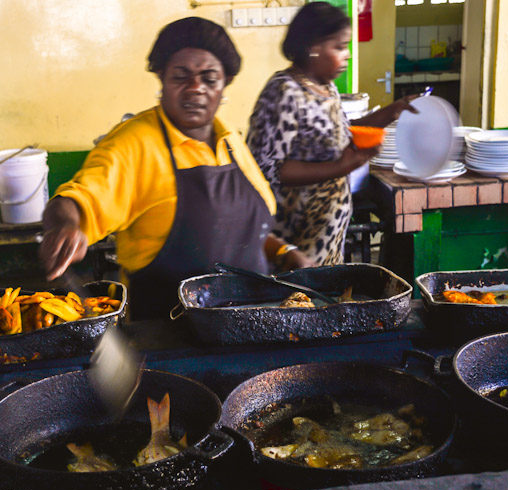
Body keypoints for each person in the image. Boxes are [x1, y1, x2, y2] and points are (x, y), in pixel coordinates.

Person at [39, 17, 312, 320]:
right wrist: (65, 226)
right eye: (181, 76)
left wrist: (282, 252)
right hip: (169, 339)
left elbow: (239, 233)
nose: (196, 88)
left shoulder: (231, 141)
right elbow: (76, 202)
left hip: (253, 323)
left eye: (209, 78)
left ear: (224, 86)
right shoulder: (133, 144)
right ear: (161, 78)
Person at [246, 2, 417, 265]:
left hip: (325, 233)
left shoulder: (326, 87)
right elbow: (267, 169)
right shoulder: (284, 92)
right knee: (297, 302)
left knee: (324, 299)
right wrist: (339, 167)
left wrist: (392, 112)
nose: (347, 54)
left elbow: (341, 131)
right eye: (339, 47)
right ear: (312, 48)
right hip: (295, 238)